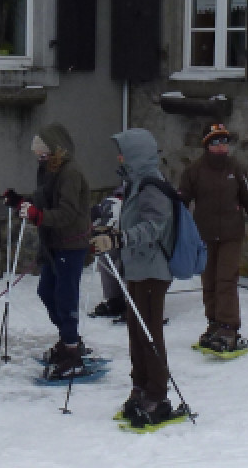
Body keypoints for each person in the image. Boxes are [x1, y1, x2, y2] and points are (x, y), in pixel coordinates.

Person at [90, 128, 184, 429]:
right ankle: (140, 388)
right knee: (135, 329)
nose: (119, 157)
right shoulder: (135, 183)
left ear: (136, 155)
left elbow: (156, 226)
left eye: (123, 152)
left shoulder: (151, 186)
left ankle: (157, 395)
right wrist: (111, 233)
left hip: (152, 270)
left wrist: (121, 239)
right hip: (137, 268)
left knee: (149, 331)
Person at [8, 122, 93, 379]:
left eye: (44, 154)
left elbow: (67, 212)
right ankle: (69, 339)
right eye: (38, 156)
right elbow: (44, 200)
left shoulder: (71, 173)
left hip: (71, 242)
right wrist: (21, 202)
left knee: (65, 296)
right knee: (47, 292)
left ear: (57, 150)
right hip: (53, 243)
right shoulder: (48, 171)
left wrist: (39, 216)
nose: (41, 159)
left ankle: (71, 350)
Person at [177, 123, 248, 354]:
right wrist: (177, 226)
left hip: (230, 234)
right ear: (207, 145)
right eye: (216, 142)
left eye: (224, 141)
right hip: (204, 235)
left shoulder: (236, 168)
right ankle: (214, 323)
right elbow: (182, 201)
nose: (221, 146)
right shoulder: (194, 171)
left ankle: (229, 326)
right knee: (209, 282)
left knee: (226, 280)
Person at [89, 188, 126, 320]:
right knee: (106, 258)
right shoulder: (110, 202)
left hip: (135, 239)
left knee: (123, 264)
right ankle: (115, 300)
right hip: (116, 236)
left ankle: (137, 304)